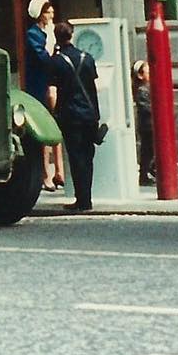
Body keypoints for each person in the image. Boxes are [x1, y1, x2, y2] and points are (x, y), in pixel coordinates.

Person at [49, 21, 101, 212]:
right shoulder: (87, 58)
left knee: (76, 157)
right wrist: (96, 115)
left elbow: (52, 93)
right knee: (88, 157)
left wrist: (54, 114)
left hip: (70, 116)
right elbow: (93, 90)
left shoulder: (56, 62)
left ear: (56, 37)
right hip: (89, 114)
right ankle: (87, 198)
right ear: (72, 35)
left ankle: (82, 200)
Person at [24, 0, 63, 192]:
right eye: (48, 12)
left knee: (57, 125)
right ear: (39, 14)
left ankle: (59, 171)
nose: (51, 16)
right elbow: (43, 57)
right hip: (38, 85)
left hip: (52, 82)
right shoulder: (33, 34)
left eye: (52, 12)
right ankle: (46, 174)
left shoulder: (51, 32)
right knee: (45, 129)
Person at [132, 59, 155, 186]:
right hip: (147, 125)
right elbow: (145, 107)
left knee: (150, 151)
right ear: (141, 75)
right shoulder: (142, 90)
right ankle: (144, 174)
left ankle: (150, 169)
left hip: (150, 124)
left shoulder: (149, 87)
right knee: (147, 151)